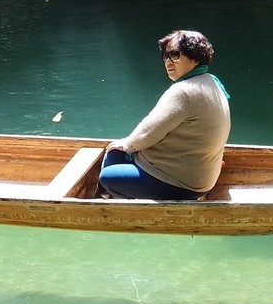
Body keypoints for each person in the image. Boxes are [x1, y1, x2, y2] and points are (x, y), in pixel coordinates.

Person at [98, 29, 231, 200]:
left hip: (182, 183)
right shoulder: (211, 81)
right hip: (202, 178)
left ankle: (110, 204)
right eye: (166, 56)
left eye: (175, 55)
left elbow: (149, 131)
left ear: (196, 57)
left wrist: (127, 145)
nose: (168, 62)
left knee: (109, 175)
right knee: (115, 153)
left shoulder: (184, 91)